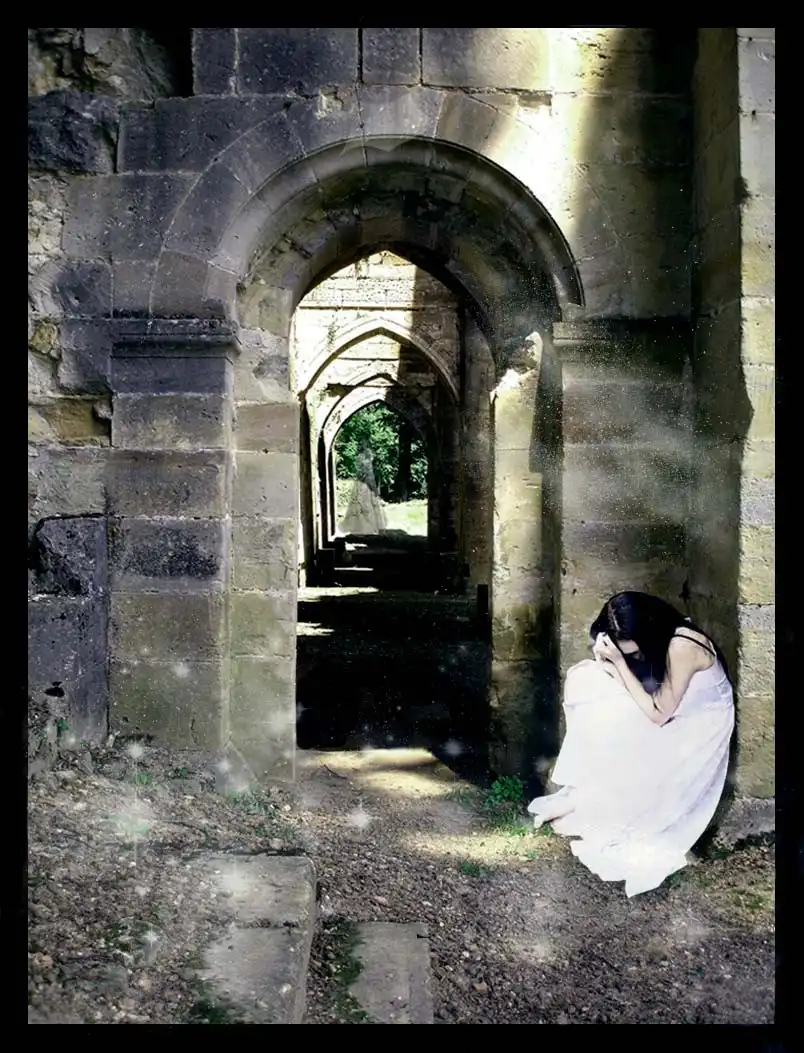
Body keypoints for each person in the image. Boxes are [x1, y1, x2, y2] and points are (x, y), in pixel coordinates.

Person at [526, 591, 735, 897]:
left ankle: (601, 790)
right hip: (673, 710)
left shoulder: (681, 646)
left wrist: (618, 665)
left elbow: (658, 713)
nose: (633, 656)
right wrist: (611, 662)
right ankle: (593, 785)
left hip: (697, 726)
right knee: (584, 678)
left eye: (634, 651)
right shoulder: (664, 636)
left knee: (606, 707)